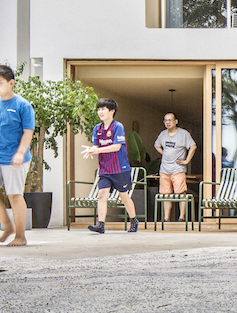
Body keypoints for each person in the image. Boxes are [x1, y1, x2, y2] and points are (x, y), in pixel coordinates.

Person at [0, 65, 35, 247]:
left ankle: (20, 236)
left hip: (14, 158)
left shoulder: (22, 105)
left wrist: (20, 153)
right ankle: (8, 226)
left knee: (15, 195)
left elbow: (28, 132)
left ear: (11, 83)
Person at [81, 98, 139, 233]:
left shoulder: (118, 127)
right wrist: (91, 149)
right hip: (104, 169)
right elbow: (96, 145)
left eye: (103, 109)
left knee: (124, 196)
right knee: (102, 194)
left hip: (120, 168)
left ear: (112, 111)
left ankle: (133, 220)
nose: (100, 112)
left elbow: (117, 146)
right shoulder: (97, 128)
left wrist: (98, 150)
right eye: (98, 109)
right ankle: (100, 225)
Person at [153, 112, 196, 222]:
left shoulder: (183, 134)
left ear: (176, 121)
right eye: (165, 120)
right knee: (165, 194)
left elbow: (193, 146)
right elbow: (156, 145)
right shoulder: (163, 134)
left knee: (181, 193)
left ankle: (181, 217)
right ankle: (166, 218)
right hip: (164, 170)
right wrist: (163, 153)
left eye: (170, 120)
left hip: (178, 169)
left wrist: (186, 161)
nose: (167, 122)